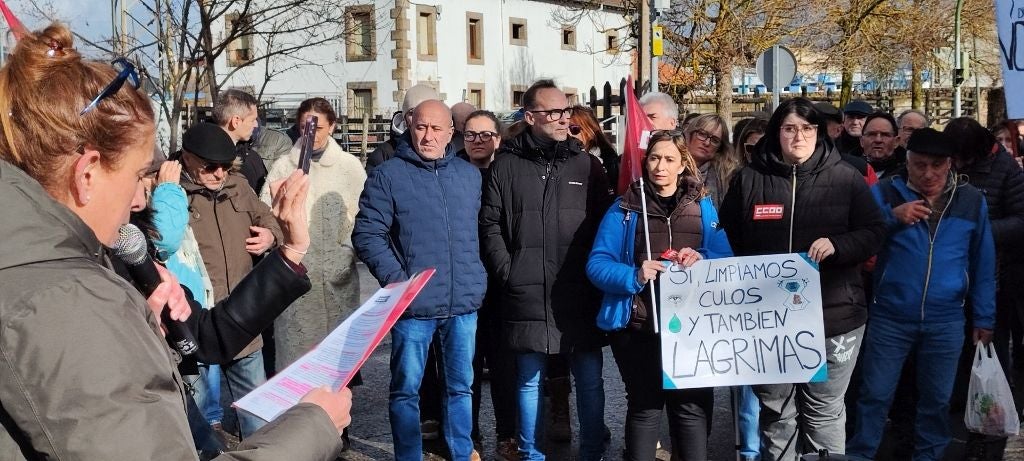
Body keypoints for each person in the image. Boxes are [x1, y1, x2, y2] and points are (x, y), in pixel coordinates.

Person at [0, 23, 352, 460]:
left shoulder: (88, 257)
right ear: (86, 174)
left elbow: (207, 334)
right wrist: (313, 426)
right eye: (136, 176)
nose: (137, 199)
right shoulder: (64, 301)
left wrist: (289, 252)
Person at [719, 97, 886, 461]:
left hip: (835, 316)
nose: (799, 137)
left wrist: (839, 245)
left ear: (819, 132)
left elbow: (875, 231)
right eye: (790, 128)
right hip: (768, 320)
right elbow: (725, 237)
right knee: (777, 412)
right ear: (777, 132)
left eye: (807, 129)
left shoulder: (847, 178)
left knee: (823, 412)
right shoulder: (748, 179)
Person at [480, 79, 613, 461]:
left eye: (566, 110)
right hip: (527, 292)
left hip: (579, 292)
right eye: (553, 111)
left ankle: (591, 452)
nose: (563, 118)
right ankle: (532, 454)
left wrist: (595, 273)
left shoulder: (587, 164)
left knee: (589, 380)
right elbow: (490, 223)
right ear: (530, 115)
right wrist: (509, 272)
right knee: (528, 381)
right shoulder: (505, 164)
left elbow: (607, 226)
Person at [847, 128, 996, 461]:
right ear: (908, 163)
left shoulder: (970, 199)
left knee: (937, 400)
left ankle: (928, 456)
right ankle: (861, 454)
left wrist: (985, 316)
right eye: (920, 165)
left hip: (946, 319)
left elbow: (983, 261)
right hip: (890, 316)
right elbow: (859, 238)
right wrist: (891, 218)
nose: (929, 174)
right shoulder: (886, 192)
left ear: (950, 164)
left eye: (937, 165)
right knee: (875, 395)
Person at [353, 99, 486, 461]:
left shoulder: (469, 176)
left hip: (462, 304)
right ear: (410, 127)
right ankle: (408, 456)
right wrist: (400, 283)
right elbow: (367, 234)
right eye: (421, 127)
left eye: (436, 128)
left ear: (450, 133)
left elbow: (477, 233)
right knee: (406, 391)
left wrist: (478, 278)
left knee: (461, 387)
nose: (428, 136)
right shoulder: (388, 176)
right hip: (413, 306)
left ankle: (461, 450)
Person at [587, 131, 732, 461]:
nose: (660, 166)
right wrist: (634, 275)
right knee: (645, 407)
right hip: (639, 326)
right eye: (654, 158)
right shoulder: (623, 209)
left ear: (683, 165)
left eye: (669, 159)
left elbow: (725, 257)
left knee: (691, 410)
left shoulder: (703, 207)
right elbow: (597, 264)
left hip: (693, 333)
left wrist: (704, 259)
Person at [177, 122, 282, 439]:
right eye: (210, 167)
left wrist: (270, 236)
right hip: (196, 324)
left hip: (241, 319)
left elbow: (270, 219)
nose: (219, 174)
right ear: (187, 158)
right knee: (194, 424)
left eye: (225, 166)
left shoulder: (238, 185)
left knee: (258, 417)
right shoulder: (171, 193)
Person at [261, 97, 365, 372]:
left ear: (331, 126)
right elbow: (267, 215)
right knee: (298, 359)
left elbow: (363, 216)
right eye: (306, 126)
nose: (312, 134)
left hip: (336, 275)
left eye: (318, 127)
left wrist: (346, 252)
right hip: (296, 276)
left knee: (336, 361)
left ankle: (337, 413)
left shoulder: (349, 167)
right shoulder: (284, 167)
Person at [944, 118, 1024, 461]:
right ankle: (960, 422)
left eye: (963, 159)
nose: (958, 165)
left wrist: (977, 232)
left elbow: (1020, 221)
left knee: (989, 353)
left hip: (994, 279)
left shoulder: (1007, 171)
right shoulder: (949, 164)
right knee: (955, 358)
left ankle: (990, 428)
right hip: (950, 278)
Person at [366, 83, 440, 172]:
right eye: (412, 113)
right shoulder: (384, 154)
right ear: (404, 117)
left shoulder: (446, 151)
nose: (420, 118)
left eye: (428, 112)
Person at [214, 89, 269, 194]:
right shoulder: (206, 161)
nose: (255, 125)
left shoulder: (251, 156)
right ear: (236, 122)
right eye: (252, 120)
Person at [683, 113, 742, 208]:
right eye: (702, 134)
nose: (707, 143)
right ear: (689, 134)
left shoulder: (728, 176)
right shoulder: (671, 167)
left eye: (714, 140)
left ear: (720, 147)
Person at [570, 104, 620, 191]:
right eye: (563, 128)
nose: (568, 133)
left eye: (574, 129)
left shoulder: (606, 159)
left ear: (590, 130)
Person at [860, 112, 906, 181]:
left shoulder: (907, 176)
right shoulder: (849, 170)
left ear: (896, 142)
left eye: (885, 135)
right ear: (862, 141)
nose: (878, 140)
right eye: (872, 134)